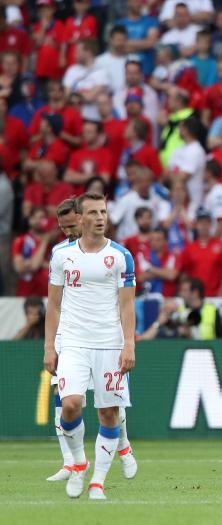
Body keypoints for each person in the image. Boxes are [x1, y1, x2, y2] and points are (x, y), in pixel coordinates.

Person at [43, 193, 136, 500]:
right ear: (80, 219)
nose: (100, 217)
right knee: (69, 404)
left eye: (103, 212)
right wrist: (49, 346)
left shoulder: (122, 256)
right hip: (73, 342)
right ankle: (78, 461)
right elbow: (53, 305)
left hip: (109, 343)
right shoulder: (61, 256)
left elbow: (127, 307)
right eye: (93, 212)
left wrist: (129, 344)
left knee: (108, 413)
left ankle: (98, 481)